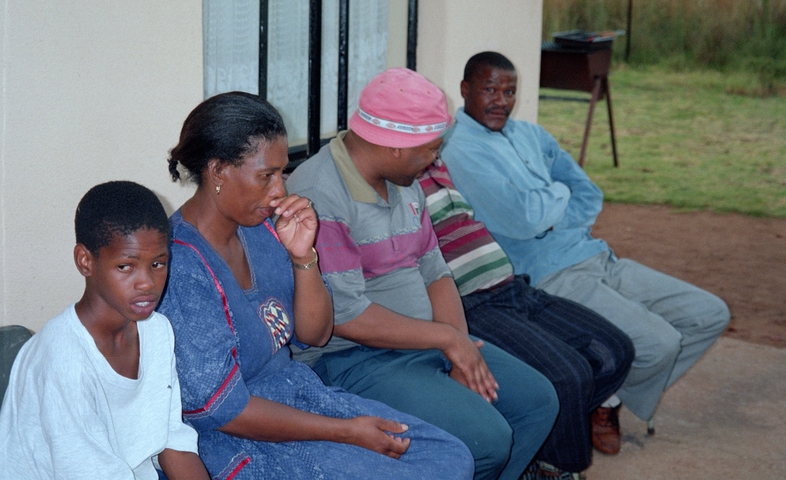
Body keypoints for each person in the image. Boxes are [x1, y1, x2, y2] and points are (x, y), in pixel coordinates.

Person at [159, 91, 474, 480]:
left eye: (281, 173)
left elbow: (315, 333)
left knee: (449, 457)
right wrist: (347, 432)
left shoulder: (261, 231)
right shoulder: (182, 267)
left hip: (299, 397)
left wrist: (302, 255)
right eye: (266, 176)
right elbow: (222, 409)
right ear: (218, 171)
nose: (280, 190)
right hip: (240, 439)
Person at [286, 68, 559, 480]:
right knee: (486, 440)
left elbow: (435, 271)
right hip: (353, 360)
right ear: (397, 146)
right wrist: (449, 339)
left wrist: (459, 351)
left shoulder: (403, 179)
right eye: (431, 149)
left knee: (538, 401)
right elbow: (344, 316)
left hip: (424, 340)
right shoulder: (321, 192)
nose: (436, 158)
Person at [440, 51, 730, 428]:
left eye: (509, 92)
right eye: (490, 89)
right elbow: (524, 217)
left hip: (593, 253)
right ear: (465, 90)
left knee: (710, 314)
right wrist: (558, 194)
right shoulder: (459, 147)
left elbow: (589, 192)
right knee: (660, 344)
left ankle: (605, 396)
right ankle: (603, 399)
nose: (501, 101)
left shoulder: (529, 134)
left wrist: (556, 218)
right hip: (550, 273)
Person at [419, 158, 634, 479]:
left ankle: (552, 434)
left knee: (614, 350)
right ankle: (552, 468)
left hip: (513, 287)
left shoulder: (437, 165)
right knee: (567, 377)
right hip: (472, 304)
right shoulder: (397, 178)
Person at [0, 181, 209, 480]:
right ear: (85, 261)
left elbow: (172, 441)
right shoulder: (63, 360)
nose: (147, 283)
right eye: (126, 266)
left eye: (158, 263)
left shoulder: (157, 332)